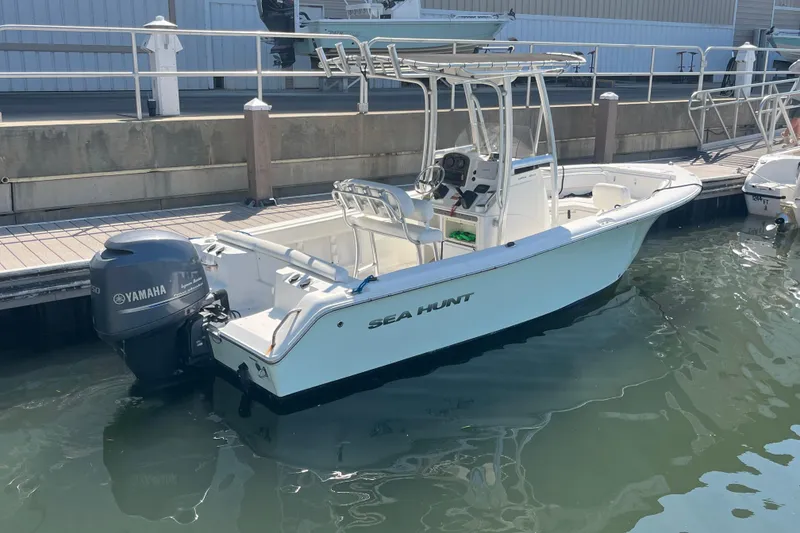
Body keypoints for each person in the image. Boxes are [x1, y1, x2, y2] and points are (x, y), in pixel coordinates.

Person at [782, 59, 800, 144]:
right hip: (797, 95)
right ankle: (793, 136)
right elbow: (792, 69)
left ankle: (789, 135)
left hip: (797, 95)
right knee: (795, 118)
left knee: (797, 118)